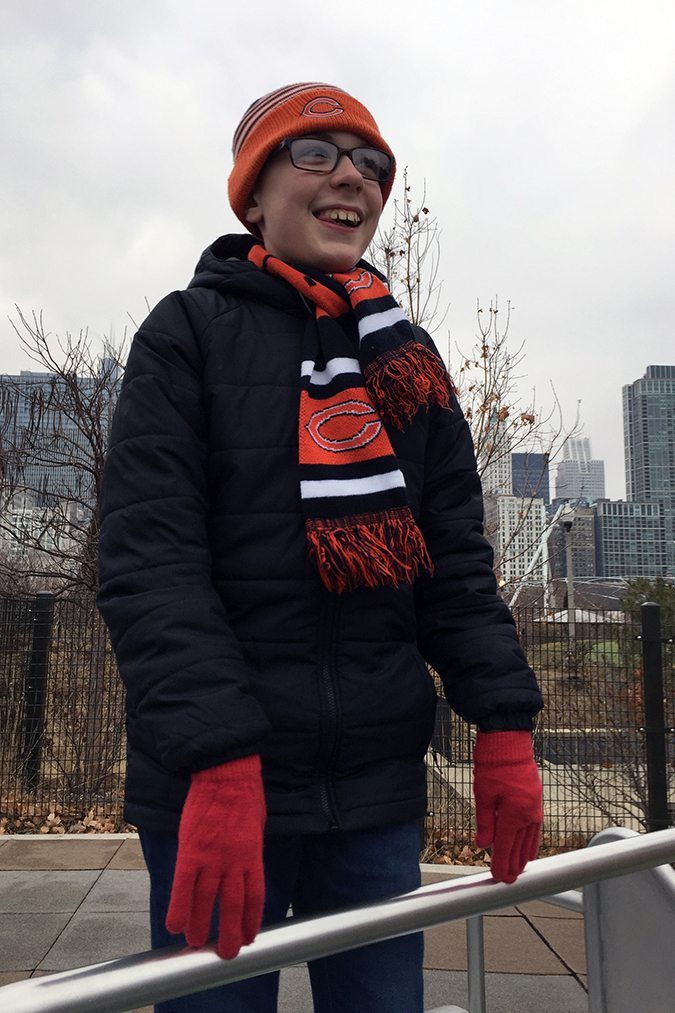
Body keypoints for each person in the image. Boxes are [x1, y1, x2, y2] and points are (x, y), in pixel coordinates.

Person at [98, 82, 544, 1013]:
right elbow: (152, 566)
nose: (353, 177)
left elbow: (455, 567)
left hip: (376, 792)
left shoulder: (406, 359)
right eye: (315, 154)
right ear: (252, 194)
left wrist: (503, 724)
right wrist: (216, 760)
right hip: (220, 792)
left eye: (372, 163)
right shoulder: (183, 335)